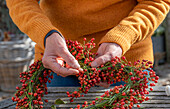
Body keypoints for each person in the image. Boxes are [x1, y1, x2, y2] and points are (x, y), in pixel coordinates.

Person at [6, 0, 170, 88]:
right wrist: (47, 34)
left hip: (125, 63)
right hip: (57, 63)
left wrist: (122, 37)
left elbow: (156, 2)